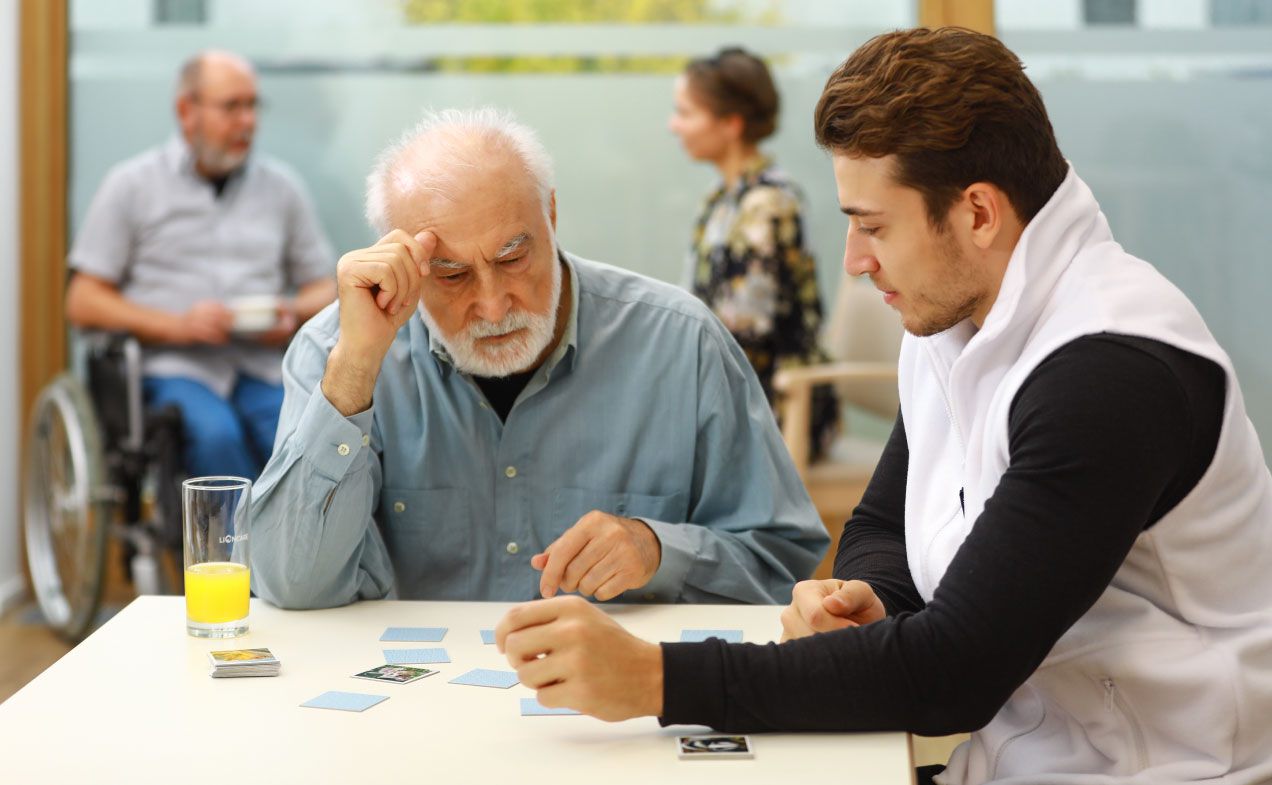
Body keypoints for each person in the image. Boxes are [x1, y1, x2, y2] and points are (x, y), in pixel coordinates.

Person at [494, 27, 1272, 785]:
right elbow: (881, 524)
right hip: (1027, 748)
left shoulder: (1108, 375)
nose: (856, 262)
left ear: (976, 212)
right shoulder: (958, 313)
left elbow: (952, 673)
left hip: (1175, 766)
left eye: (873, 226)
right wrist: (866, 594)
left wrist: (656, 678)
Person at [248, 107, 828, 609]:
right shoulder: (339, 350)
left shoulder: (681, 343)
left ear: (550, 217)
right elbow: (292, 585)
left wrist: (660, 552)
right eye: (450, 274)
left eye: (512, 257)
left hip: (619, 709)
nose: (494, 305)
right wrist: (356, 370)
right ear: (401, 262)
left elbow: (780, 563)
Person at [65, 50, 336, 480]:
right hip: (175, 368)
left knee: (298, 439)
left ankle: (288, 547)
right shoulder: (131, 185)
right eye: (232, 106)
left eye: (253, 106)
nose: (247, 121)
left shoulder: (282, 189)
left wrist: (291, 313)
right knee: (216, 436)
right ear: (186, 111)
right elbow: (82, 300)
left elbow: (325, 287)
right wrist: (178, 326)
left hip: (259, 364)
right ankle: (230, 548)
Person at [670, 47, 838, 456]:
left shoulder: (768, 205)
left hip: (776, 404)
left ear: (731, 124)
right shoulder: (723, 198)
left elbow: (746, 335)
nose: (674, 126)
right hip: (738, 391)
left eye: (686, 113)